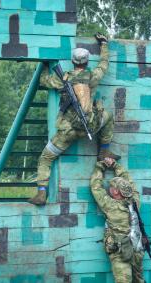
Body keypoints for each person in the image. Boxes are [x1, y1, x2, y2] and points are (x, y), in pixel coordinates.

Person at [29, 33, 120, 205]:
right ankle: (104, 150)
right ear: (86, 62)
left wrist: (45, 64)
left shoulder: (63, 79)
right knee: (108, 117)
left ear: (73, 61)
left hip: (68, 131)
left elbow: (43, 81)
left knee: (46, 158)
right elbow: (104, 64)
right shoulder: (92, 77)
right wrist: (104, 44)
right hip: (91, 126)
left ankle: (41, 192)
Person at [90, 157, 145, 283]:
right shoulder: (135, 201)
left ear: (115, 191)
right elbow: (129, 182)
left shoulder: (110, 206)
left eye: (110, 187)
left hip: (120, 252)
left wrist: (101, 166)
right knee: (139, 280)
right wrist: (115, 165)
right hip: (137, 249)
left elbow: (96, 187)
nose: (109, 188)